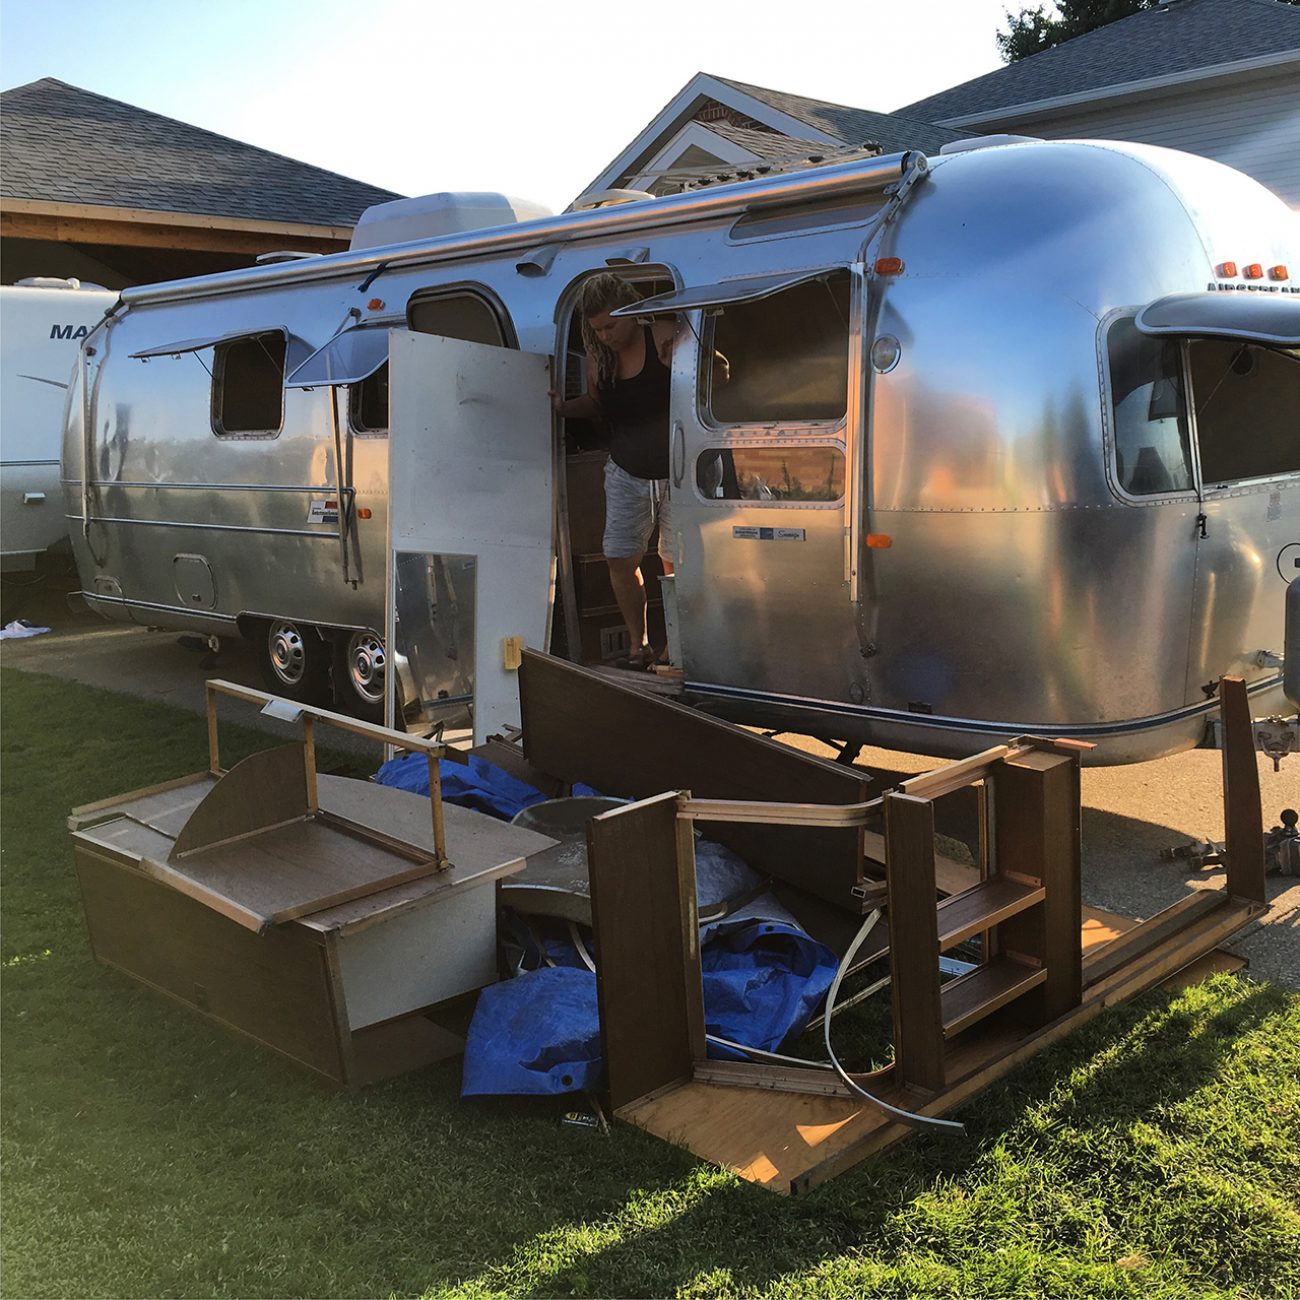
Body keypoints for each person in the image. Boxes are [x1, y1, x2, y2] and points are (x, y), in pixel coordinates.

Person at [552, 274, 677, 668]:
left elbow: (714, 377)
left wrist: (693, 360)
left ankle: (677, 646)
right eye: (597, 329)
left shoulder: (663, 334)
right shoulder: (599, 356)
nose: (605, 335)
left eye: (611, 325)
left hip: (677, 470)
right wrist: (564, 408)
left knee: (677, 563)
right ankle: (638, 647)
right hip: (626, 470)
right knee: (620, 560)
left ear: (632, 313)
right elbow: (597, 404)